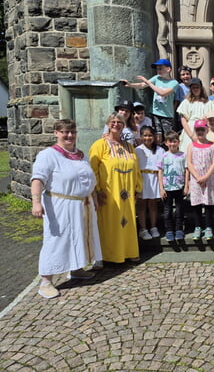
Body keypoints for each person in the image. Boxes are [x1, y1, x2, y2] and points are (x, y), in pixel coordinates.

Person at [31, 119, 102, 299]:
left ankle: (76, 269)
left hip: (82, 205)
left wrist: (93, 198)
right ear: (56, 133)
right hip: (60, 206)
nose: (69, 135)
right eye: (65, 132)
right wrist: (36, 202)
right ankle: (46, 281)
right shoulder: (48, 155)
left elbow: (89, 181)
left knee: (79, 236)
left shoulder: (80, 155)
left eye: (72, 132)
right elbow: (38, 179)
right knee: (57, 241)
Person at [90, 113, 142, 265]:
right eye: (113, 122)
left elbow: (136, 167)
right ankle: (106, 255)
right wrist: (97, 190)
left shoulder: (129, 146)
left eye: (119, 122)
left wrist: (138, 187)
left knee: (127, 221)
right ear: (108, 124)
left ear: (124, 125)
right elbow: (93, 169)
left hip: (128, 192)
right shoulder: (100, 145)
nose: (116, 124)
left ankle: (128, 251)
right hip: (109, 191)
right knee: (109, 224)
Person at [122, 58, 179, 144]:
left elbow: (162, 93)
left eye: (160, 68)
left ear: (168, 69)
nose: (158, 70)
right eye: (157, 68)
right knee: (157, 136)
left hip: (167, 114)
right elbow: (142, 85)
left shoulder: (174, 83)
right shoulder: (156, 78)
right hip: (155, 112)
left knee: (168, 136)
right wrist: (130, 84)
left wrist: (148, 82)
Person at [186, 119, 214, 240]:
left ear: (207, 130)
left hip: (208, 178)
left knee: (209, 203)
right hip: (196, 179)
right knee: (197, 203)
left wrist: (206, 176)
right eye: (198, 130)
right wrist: (197, 177)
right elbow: (189, 163)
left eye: (202, 129)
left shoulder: (213, 145)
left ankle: (209, 227)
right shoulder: (191, 146)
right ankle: (198, 226)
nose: (200, 132)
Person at [157, 131, 188, 243]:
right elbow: (160, 172)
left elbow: (186, 170)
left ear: (178, 142)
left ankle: (179, 229)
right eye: (170, 142)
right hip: (167, 187)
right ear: (166, 143)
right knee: (167, 210)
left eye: (175, 141)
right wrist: (161, 188)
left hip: (179, 186)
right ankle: (169, 230)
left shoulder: (183, 155)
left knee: (180, 209)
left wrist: (186, 186)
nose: (173, 144)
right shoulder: (163, 156)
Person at [135, 125, 165, 240]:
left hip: (154, 178)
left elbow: (161, 169)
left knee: (153, 204)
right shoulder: (138, 150)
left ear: (154, 136)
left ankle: (153, 226)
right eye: (145, 135)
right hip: (142, 178)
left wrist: (161, 187)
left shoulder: (160, 150)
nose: (148, 138)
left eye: (150, 135)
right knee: (142, 204)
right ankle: (143, 228)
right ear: (141, 137)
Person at [176, 77, 214, 152]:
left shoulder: (208, 102)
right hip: (190, 129)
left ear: (201, 88)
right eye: (193, 88)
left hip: (205, 129)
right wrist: (191, 135)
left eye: (197, 87)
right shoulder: (186, 102)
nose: (195, 89)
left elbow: (212, 118)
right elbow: (183, 120)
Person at [174, 66, 192, 131]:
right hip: (183, 116)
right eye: (183, 75)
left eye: (187, 74)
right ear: (180, 77)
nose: (185, 76)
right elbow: (177, 101)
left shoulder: (194, 86)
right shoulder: (179, 87)